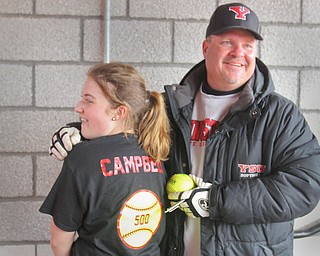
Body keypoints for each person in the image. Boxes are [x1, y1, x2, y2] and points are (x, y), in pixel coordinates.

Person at [48, 3, 320, 256]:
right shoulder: (171, 108)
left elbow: (305, 186)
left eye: (248, 46)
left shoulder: (280, 115)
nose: (239, 53)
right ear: (205, 48)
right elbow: (120, 126)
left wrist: (215, 201)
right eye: (227, 42)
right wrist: (78, 134)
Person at [40, 62, 171, 256]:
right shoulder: (156, 151)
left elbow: (59, 241)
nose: (78, 107)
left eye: (89, 100)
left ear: (119, 112)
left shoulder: (82, 159)